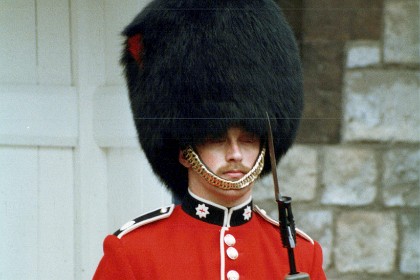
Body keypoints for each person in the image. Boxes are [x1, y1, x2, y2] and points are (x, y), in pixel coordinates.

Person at [93, 0, 327, 279]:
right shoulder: (133, 252)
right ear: (185, 152)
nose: (236, 154)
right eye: (217, 139)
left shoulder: (301, 254)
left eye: (249, 139)